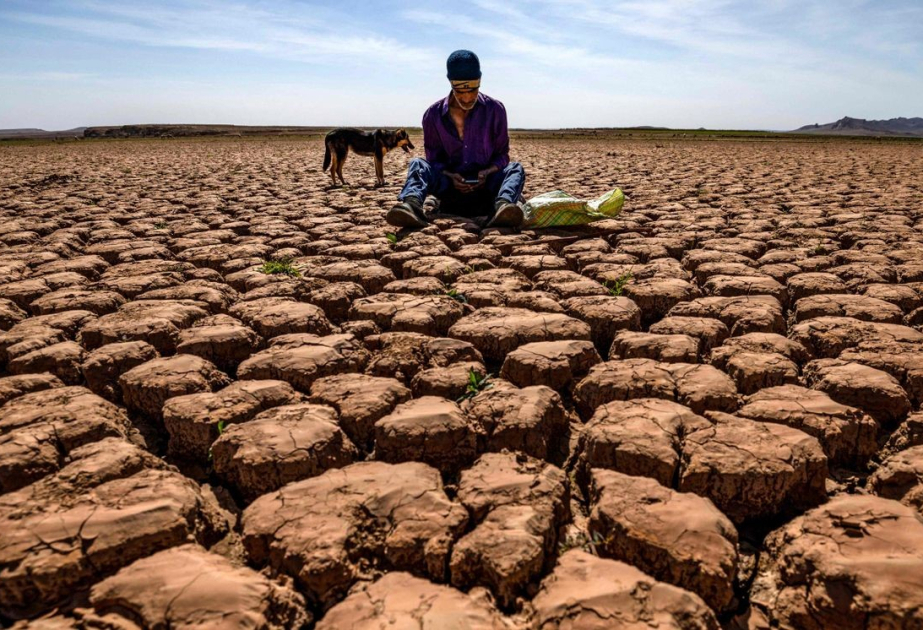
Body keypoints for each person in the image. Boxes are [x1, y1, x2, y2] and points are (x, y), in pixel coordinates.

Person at [387, 50, 525, 229]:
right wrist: (451, 176)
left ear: (480, 82)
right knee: (418, 164)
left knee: (515, 169)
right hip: (450, 189)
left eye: (473, 90)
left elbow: (502, 156)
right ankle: (411, 206)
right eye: (460, 91)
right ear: (451, 83)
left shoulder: (495, 110)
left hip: (486, 188)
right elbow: (434, 160)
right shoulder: (433, 115)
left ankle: (503, 208)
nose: (467, 98)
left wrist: (487, 172)